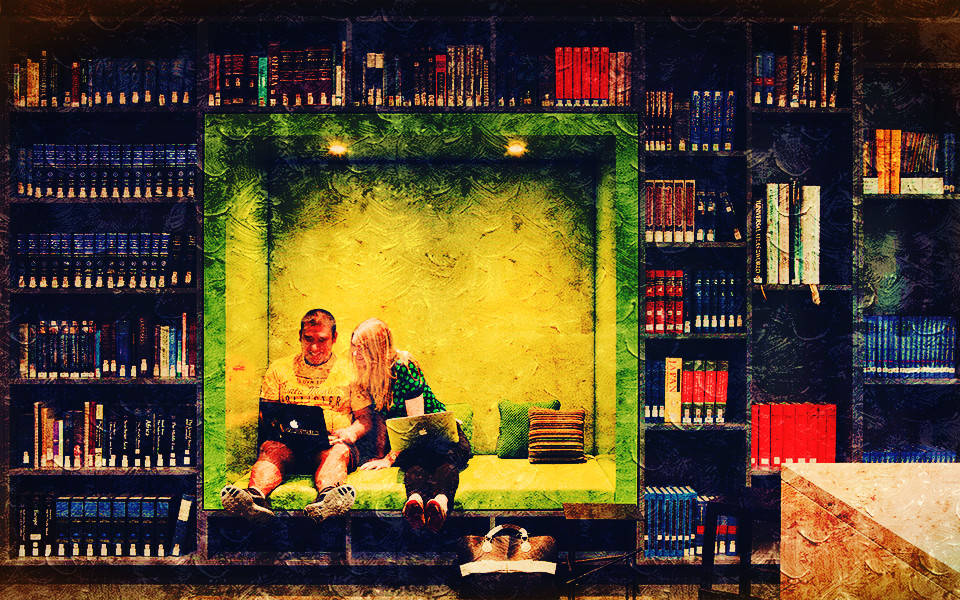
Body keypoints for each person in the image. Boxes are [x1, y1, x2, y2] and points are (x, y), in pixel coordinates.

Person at [220, 309, 373, 522]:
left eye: (322, 340)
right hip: (289, 445)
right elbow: (267, 414)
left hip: (331, 443)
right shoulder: (279, 369)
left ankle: (328, 499)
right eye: (308, 339)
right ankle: (254, 499)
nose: (314, 347)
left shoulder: (351, 371)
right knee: (270, 449)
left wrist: (350, 433)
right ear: (300, 336)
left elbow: (365, 419)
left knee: (338, 452)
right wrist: (279, 430)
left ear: (334, 338)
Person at [353, 318, 472, 533]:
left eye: (361, 348)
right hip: (411, 442)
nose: (355, 354)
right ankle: (415, 503)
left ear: (376, 347)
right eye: (354, 347)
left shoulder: (403, 366)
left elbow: (415, 424)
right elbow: (381, 419)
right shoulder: (370, 374)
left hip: (440, 434)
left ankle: (440, 503)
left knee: (441, 462)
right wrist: (380, 456)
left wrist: (389, 459)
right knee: (415, 466)